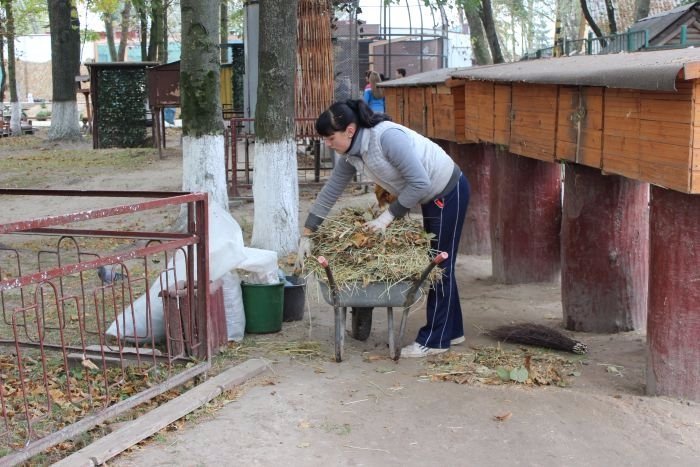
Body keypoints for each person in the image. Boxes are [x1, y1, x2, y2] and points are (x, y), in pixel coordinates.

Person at [296, 99, 470, 358]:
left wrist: (387, 217)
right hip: (431, 196)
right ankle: (451, 330)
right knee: (440, 263)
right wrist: (308, 232)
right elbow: (331, 191)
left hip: (447, 191)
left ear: (350, 130)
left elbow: (420, 183)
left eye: (331, 138)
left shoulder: (386, 138)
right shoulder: (352, 155)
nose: (328, 144)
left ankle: (435, 340)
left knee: (438, 266)